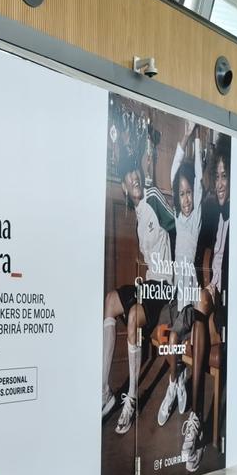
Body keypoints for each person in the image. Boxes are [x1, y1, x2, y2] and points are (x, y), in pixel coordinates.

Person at [101, 168, 175, 435]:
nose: (133, 177)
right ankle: (104, 393)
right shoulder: (137, 218)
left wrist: (183, 278)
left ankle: (132, 398)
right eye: (128, 174)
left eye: (136, 172)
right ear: (123, 185)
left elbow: (177, 227)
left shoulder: (153, 196)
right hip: (150, 283)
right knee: (110, 301)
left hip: (166, 286)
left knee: (133, 316)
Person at [185, 137, 231, 473]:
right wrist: (207, 284)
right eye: (216, 176)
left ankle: (198, 416)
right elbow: (199, 256)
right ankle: (196, 417)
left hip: (233, 300)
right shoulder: (212, 212)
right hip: (211, 294)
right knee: (199, 307)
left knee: (202, 311)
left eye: (224, 175)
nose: (219, 183)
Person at [156, 124, 204, 437]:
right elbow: (175, 171)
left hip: (189, 295)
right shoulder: (178, 216)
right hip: (175, 293)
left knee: (173, 340)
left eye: (188, 194)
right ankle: (178, 376)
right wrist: (183, 138)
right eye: (182, 194)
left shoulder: (196, 217)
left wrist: (198, 142)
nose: (186, 199)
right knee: (166, 338)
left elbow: (198, 177)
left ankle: (173, 385)